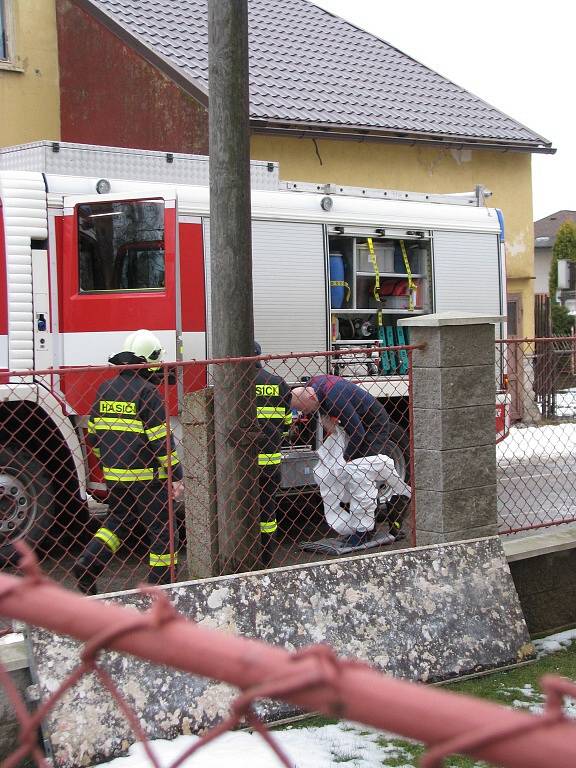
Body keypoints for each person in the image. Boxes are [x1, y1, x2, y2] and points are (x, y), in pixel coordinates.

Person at [74, 329, 184, 595]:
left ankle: (88, 563)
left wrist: (109, 466)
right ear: (148, 362)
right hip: (148, 478)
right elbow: (160, 439)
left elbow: (93, 436)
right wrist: (176, 474)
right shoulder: (148, 393)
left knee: (116, 524)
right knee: (164, 532)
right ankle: (161, 589)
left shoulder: (105, 388)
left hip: (116, 476)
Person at [291, 375, 411, 548]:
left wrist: (347, 458)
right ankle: (365, 527)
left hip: (374, 425)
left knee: (362, 475)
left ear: (310, 397)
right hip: (360, 424)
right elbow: (328, 417)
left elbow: (358, 433)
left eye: (305, 409)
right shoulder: (313, 387)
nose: (305, 413)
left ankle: (368, 531)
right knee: (356, 475)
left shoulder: (335, 399)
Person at [254, 342, 292, 565]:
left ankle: (242, 554)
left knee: (240, 508)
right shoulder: (277, 383)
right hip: (270, 460)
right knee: (267, 511)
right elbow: (287, 425)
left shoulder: (235, 383)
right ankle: (266, 557)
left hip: (240, 464)